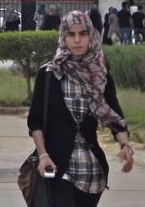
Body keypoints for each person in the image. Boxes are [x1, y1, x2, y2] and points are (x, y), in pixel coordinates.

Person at [28, 11, 134, 206]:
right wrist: (43, 155)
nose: (77, 40)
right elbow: (35, 121)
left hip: (92, 171)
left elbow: (115, 117)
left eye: (83, 34)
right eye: (71, 34)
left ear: (91, 35)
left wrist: (125, 146)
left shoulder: (100, 73)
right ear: (63, 37)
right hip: (56, 165)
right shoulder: (50, 74)